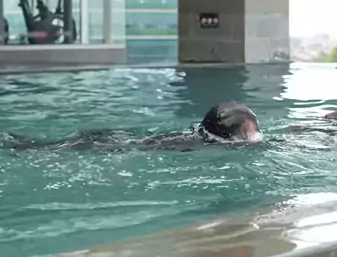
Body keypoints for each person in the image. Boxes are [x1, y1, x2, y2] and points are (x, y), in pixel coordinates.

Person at [3, 101, 262, 152]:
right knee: (43, 149)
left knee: (45, 146)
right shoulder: (196, 146)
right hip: (116, 145)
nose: (255, 134)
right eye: (250, 131)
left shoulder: (194, 135)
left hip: (122, 138)